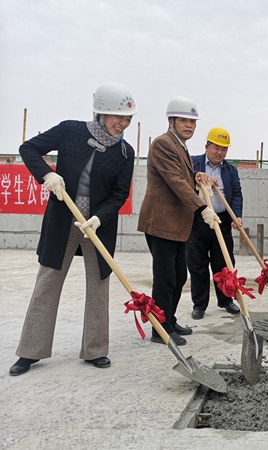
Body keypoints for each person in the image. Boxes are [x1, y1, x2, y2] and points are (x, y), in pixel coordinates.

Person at [10, 82, 138, 376]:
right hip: (63, 220)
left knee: (99, 285)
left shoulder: (124, 152)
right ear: (101, 111)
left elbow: (120, 194)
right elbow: (28, 148)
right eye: (118, 116)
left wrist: (100, 218)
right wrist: (47, 175)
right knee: (48, 281)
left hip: (97, 227)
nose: (123, 124)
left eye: (128, 119)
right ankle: (30, 351)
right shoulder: (70, 131)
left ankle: (95, 349)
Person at [138, 97, 219, 346]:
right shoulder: (163, 144)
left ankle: (169, 320)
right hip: (161, 222)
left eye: (192, 122)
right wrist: (202, 207)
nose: (189, 126)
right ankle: (160, 329)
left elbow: (183, 175)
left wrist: (196, 175)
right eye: (184, 120)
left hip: (178, 224)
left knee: (179, 276)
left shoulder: (180, 146)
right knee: (165, 279)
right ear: (171, 121)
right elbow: (175, 181)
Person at [187, 127, 243, 320]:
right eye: (216, 147)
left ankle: (226, 300)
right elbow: (183, 181)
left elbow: (236, 194)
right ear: (207, 146)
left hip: (222, 221)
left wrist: (236, 215)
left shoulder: (230, 170)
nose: (220, 152)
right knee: (198, 264)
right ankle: (199, 304)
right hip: (198, 221)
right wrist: (197, 176)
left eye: (224, 149)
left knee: (224, 263)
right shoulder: (193, 163)